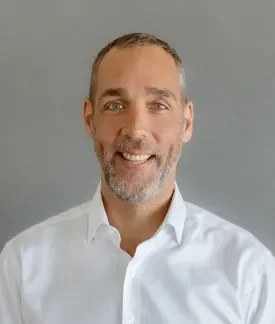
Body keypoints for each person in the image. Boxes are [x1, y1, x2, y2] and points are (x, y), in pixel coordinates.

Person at [0, 32, 275, 324]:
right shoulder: (21, 265)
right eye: (115, 105)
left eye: (158, 105)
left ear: (187, 122)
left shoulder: (250, 272)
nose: (135, 130)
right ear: (89, 120)